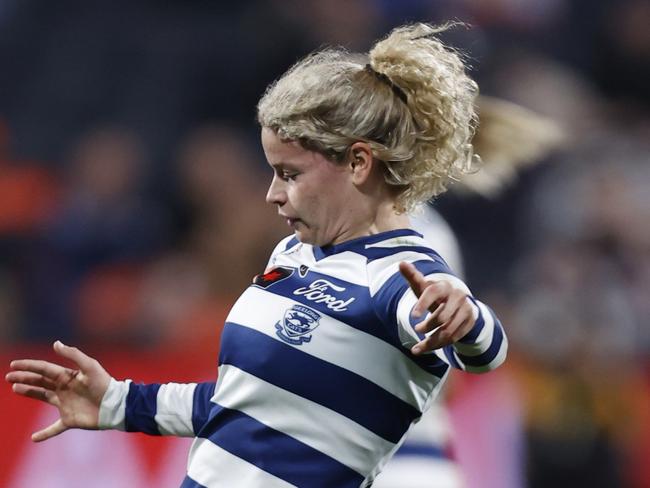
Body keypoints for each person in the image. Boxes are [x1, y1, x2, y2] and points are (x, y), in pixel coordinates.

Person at [6, 23, 507, 488]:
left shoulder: (400, 274)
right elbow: (240, 404)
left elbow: (481, 346)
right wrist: (118, 401)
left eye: (289, 174)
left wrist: (463, 320)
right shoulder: (294, 252)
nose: (272, 194)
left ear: (357, 163)